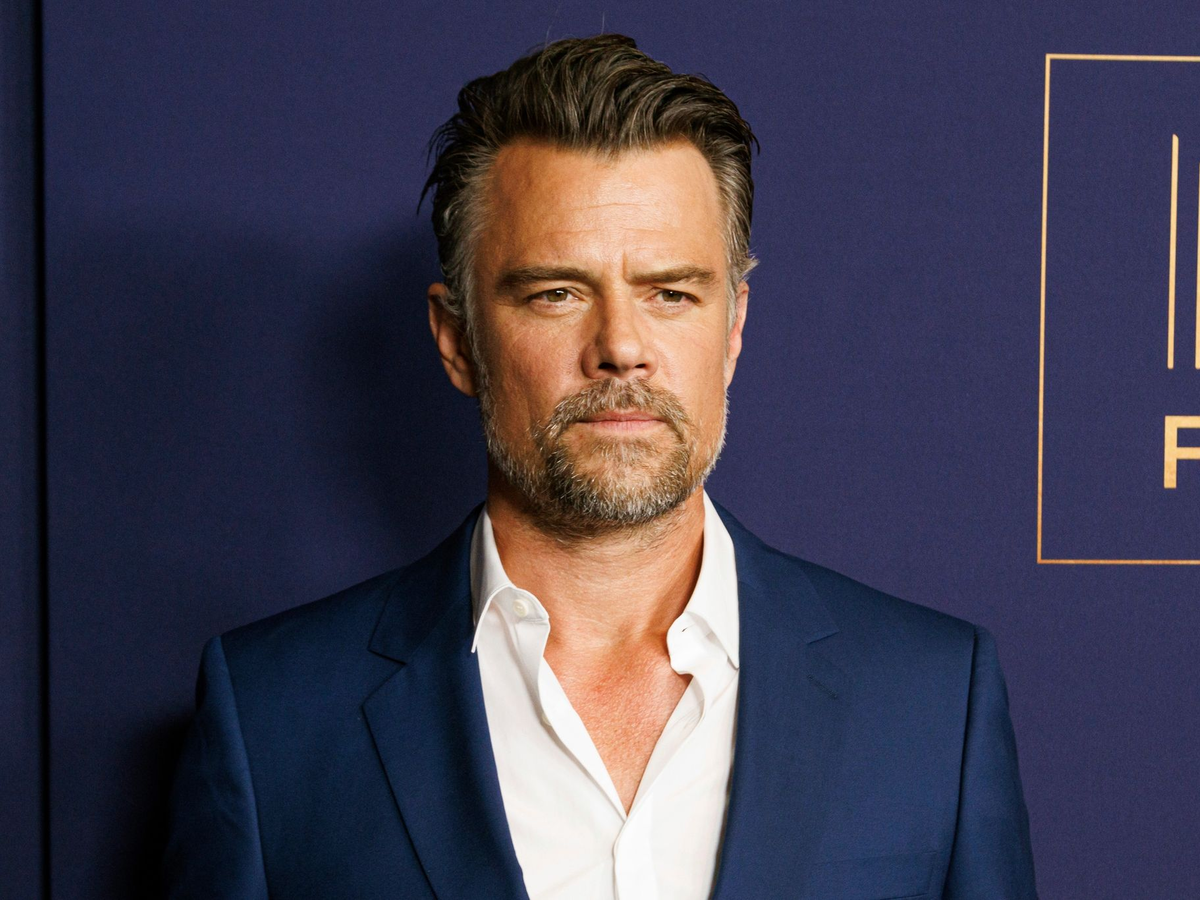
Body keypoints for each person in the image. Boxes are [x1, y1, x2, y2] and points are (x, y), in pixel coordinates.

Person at [162, 34, 1037, 899]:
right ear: (457, 339)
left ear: (733, 329)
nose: (621, 346)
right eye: (557, 293)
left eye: (671, 293)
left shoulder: (930, 701)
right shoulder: (273, 716)